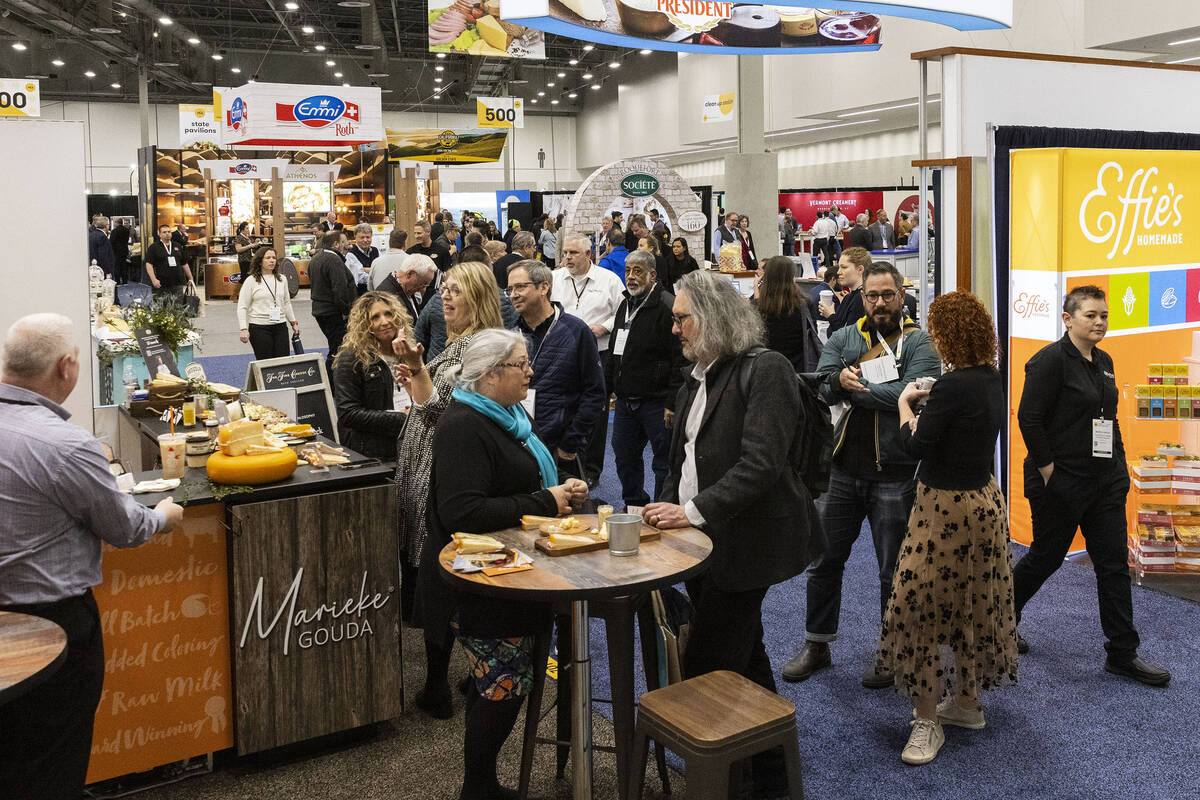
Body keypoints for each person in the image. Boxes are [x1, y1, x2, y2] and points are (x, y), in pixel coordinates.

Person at [642, 270, 820, 800]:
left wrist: (690, 511)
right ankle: (769, 775)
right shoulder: (701, 374)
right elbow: (682, 454)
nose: (674, 329)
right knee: (746, 656)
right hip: (704, 541)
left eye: (681, 318)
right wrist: (672, 504)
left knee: (708, 665)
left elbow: (760, 465)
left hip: (749, 543)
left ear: (714, 317)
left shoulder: (766, 370)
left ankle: (728, 779)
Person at [0, 313, 184, 800]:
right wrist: (164, 514)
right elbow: (125, 528)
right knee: (53, 759)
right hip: (53, 626)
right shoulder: (65, 445)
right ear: (66, 368)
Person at [420, 329, 588, 800]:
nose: (531, 372)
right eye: (521, 364)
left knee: (501, 684)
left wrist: (557, 492)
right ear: (491, 373)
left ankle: (481, 783)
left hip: (511, 572)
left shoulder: (506, 413)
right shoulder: (464, 426)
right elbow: (462, 512)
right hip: (483, 586)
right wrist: (544, 500)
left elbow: (517, 477)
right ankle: (478, 788)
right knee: (502, 688)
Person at [873, 290, 1017, 765]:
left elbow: (915, 447)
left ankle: (927, 720)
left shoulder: (955, 386)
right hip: (984, 502)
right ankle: (968, 704)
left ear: (947, 335)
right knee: (972, 604)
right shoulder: (989, 377)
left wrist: (906, 405)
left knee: (917, 610)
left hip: (944, 512)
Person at [783, 262, 941, 687]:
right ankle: (817, 643)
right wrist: (842, 383)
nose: (879, 303)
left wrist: (855, 388)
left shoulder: (919, 342)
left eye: (888, 295)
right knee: (823, 561)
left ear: (901, 295)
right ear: (863, 297)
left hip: (896, 473)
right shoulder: (844, 336)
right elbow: (821, 382)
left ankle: (892, 650)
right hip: (840, 472)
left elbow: (917, 396)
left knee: (894, 572)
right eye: (872, 295)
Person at [1011, 285, 1170, 687]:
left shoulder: (1105, 361)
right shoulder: (1048, 362)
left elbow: (1108, 418)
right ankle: (999, 623)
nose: (1099, 322)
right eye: (1090, 315)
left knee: (1113, 564)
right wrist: (1051, 475)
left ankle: (1122, 653)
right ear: (1068, 319)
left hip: (1103, 483)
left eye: (1103, 315)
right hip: (1058, 482)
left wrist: (1118, 467)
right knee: (1046, 557)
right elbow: (1029, 420)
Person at [395, 261, 507, 719]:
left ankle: (440, 685)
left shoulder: (483, 348)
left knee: (443, 580)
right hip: (431, 470)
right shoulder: (463, 343)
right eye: (444, 289)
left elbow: (447, 414)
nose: (446, 296)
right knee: (442, 580)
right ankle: (458, 675)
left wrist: (419, 373)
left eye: (455, 290)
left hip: (446, 478)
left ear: (478, 297)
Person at [506, 260, 605, 480]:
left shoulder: (576, 331)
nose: (513, 294)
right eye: (510, 289)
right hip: (517, 444)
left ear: (543, 288)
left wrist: (571, 443)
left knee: (566, 510)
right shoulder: (508, 334)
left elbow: (594, 392)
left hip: (559, 447)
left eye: (520, 287)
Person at [605, 250, 682, 508]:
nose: (631, 277)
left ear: (652, 274)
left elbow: (679, 360)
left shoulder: (666, 305)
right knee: (625, 458)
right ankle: (634, 506)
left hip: (657, 403)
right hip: (626, 402)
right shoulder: (625, 304)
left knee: (663, 463)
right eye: (628, 271)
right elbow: (616, 347)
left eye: (637, 271)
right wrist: (609, 388)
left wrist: (672, 401)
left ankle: (660, 511)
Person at [552, 233, 626, 485]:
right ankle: (562, 467)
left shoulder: (610, 280)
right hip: (561, 354)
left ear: (588, 255)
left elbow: (624, 312)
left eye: (573, 253)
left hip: (598, 354)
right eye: (564, 253)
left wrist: (604, 327)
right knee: (563, 408)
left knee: (595, 412)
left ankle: (592, 471)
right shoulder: (554, 278)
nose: (567, 258)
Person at [332, 291, 412, 460]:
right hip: (373, 453)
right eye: (375, 317)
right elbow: (348, 413)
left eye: (388, 314)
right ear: (364, 324)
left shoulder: (408, 351)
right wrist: (399, 418)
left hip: (408, 443)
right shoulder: (352, 359)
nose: (384, 322)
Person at [754, 255, 820, 373]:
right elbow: (812, 333)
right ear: (792, 277)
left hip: (764, 368)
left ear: (766, 276)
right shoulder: (804, 305)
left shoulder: (758, 306)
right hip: (797, 370)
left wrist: (756, 289)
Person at [308, 228, 357, 377]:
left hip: (321, 310)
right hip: (333, 312)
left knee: (335, 346)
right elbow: (339, 290)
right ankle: (333, 383)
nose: (347, 246)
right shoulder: (334, 260)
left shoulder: (316, 258)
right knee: (338, 349)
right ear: (335, 244)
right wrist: (347, 312)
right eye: (344, 243)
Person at [237, 246, 299, 361]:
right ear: (260, 261)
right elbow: (242, 307)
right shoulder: (251, 281)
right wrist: (243, 328)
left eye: (274, 258)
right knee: (266, 364)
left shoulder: (282, 279)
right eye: (268, 258)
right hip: (259, 327)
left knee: (283, 362)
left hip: (280, 326)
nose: (272, 260)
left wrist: (293, 322)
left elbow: (286, 303)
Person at [822, 246, 869, 335]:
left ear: (860, 269)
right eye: (839, 267)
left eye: (844, 267)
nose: (838, 272)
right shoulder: (849, 297)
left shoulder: (861, 299)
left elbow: (848, 337)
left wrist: (830, 315)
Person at [377, 252, 436, 324]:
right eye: (422, 284)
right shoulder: (387, 295)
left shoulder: (407, 289)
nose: (422, 289)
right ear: (409, 274)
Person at [144, 223, 193, 299]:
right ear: (159, 234)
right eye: (164, 232)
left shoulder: (177, 246)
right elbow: (148, 264)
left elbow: (184, 263)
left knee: (178, 307)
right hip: (161, 283)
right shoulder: (154, 247)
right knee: (162, 308)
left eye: (169, 232)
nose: (167, 234)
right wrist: (153, 280)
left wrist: (190, 278)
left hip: (177, 282)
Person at [345, 222, 380, 295]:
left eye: (368, 237)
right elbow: (360, 278)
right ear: (355, 237)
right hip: (361, 296)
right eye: (362, 237)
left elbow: (382, 269)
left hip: (376, 294)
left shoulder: (376, 251)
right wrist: (375, 272)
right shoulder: (351, 255)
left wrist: (365, 269)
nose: (365, 240)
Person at [110, 217, 131, 284]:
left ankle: (118, 281)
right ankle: (125, 281)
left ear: (116, 222)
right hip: (124, 250)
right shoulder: (127, 230)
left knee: (117, 266)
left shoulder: (114, 231)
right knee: (124, 266)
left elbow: (111, 241)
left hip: (116, 251)